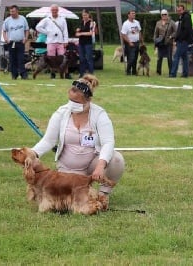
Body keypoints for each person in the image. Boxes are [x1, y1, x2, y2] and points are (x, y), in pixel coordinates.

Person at [31, 74, 125, 210]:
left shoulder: (100, 114)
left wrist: (100, 166)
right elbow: (48, 140)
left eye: (77, 103)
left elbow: (108, 142)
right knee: (63, 206)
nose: (72, 105)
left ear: (88, 100)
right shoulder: (61, 112)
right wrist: (32, 153)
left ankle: (103, 194)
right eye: (70, 101)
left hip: (93, 165)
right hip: (67, 170)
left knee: (117, 160)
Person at [35, 4, 69, 79]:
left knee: (63, 59)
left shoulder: (62, 19)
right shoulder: (47, 19)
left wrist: (66, 41)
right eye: (53, 10)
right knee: (51, 59)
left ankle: (64, 74)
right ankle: (52, 74)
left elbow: (65, 31)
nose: (54, 11)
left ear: (58, 10)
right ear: (51, 10)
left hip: (60, 41)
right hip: (50, 42)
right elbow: (38, 27)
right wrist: (46, 32)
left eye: (56, 10)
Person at [2, 5, 29, 80]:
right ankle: (14, 75)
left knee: (21, 59)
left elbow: (27, 29)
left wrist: (26, 38)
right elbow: (4, 31)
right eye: (10, 11)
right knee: (12, 59)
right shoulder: (7, 20)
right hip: (11, 43)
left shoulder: (22, 19)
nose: (11, 13)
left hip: (20, 42)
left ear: (17, 11)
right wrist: (6, 39)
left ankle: (23, 74)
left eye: (13, 11)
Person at [169, 4, 193, 78]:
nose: (178, 12)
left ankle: (173, 74)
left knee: (176, 56)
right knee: (184, 57)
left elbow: (186, 30)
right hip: (183, 40)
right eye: (178, 10)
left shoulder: (186, 17)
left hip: (183, 41)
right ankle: (185, 73)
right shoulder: (183, 17)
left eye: (180, 10)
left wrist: (180, 38)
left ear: (183, 10)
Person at [153, 9, 176, 76]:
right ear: (161, 15)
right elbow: (155, 33)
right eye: (162, 14)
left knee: (169, 58)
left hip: (168, 43)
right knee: (159, 58)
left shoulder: (171, 22)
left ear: (167, 14)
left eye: (165, 14)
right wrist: (155, 42)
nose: (164, 16)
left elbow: (175, 31)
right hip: (160, 43)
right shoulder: (158, 23)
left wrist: (171, 36)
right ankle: (158, 72)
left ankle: (171, 72)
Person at [121, 10, 143, 76]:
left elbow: (139, 32)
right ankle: (128, 71)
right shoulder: (126, 24)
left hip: (136, 43)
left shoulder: (137, 22)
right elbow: (123, 34)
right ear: (128, 15)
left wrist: (141, 41)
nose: (134, 14)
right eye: (132, 13)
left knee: (135, 58)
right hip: (130, 43)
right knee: (131, 58)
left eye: (134, 13)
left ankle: (134, 71)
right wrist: (129, 42)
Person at [75, 9, 94, 78]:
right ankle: (81, 73)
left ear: (88, 15)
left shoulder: (92, 22)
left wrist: (81, 33)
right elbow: (77, 33)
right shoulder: (81, 22)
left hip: (88, 43)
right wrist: (77, 32)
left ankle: (91, 73)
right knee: (81, 59)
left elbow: (91, 33)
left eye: (85, 15)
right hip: (81, 43)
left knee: (89, 58)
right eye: (83, 15)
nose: (84, 16)